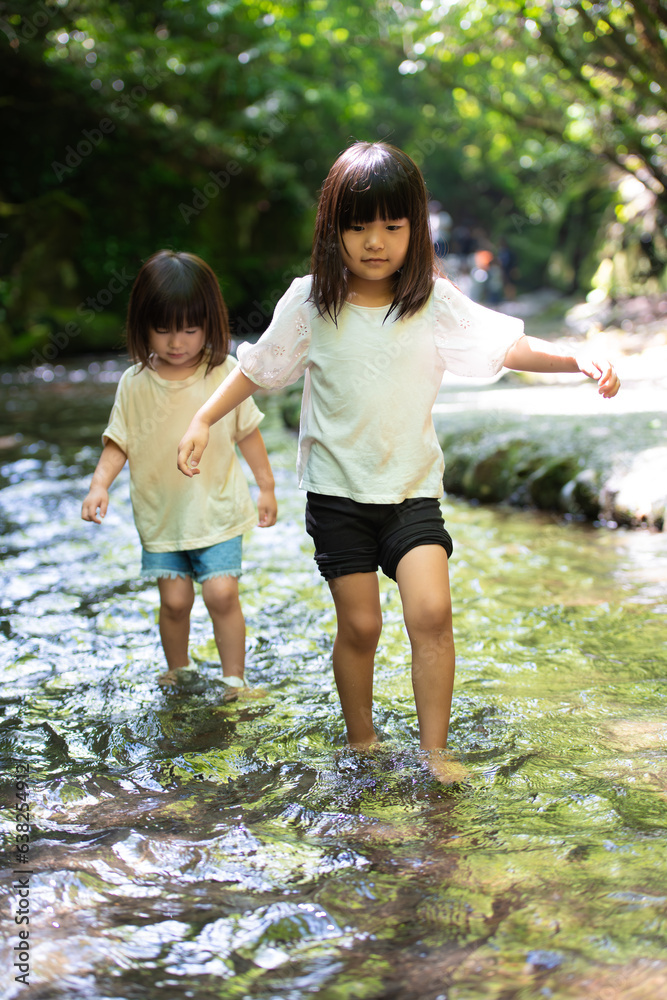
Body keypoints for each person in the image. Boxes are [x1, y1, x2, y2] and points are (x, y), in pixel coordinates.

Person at [176, 142, 620, 765]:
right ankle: (363, 745)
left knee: (432, 613)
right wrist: (202, 417)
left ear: (416, 227)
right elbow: (257, 368)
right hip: (338, 496)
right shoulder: (311, 302)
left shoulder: (432, 302)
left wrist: (574, 357)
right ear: (333, 230)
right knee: (362, 627)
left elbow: (506, 345)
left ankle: (435, 755)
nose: (375, 241)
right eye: (357, 226)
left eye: (392, 225)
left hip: (411, 489)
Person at [82, 250, 277, 696]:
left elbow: (248, 433)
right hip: (162, 516)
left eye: (189, 329)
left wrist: (266, 486)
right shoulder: (134, 383)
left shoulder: (225, 373)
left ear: (209, 323)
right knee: (174, 601)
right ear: (141, 325)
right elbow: (119, 442)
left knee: (221, 595)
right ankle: (180, 668)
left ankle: (234, 678)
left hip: (217, 510)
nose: (176, 342)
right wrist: (98, 485)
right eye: (163, 329)